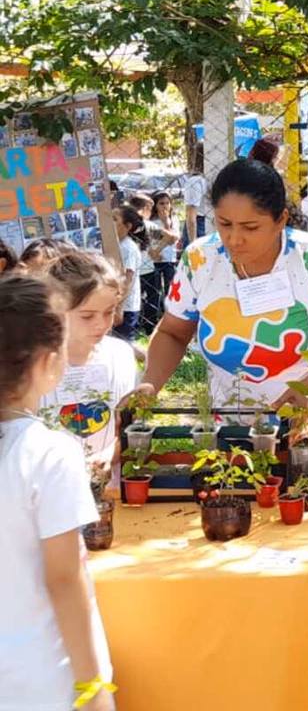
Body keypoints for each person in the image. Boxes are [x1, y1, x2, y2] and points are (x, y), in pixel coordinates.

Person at [133, 158, 308, 479]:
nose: (234, 239)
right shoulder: (200, 259)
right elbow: (173, 332)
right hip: (233, 426)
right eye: (224, 224)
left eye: (250, 227)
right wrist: (150, 384)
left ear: (281, 220)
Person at [0, 275, 115, 711]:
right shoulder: (49, 452)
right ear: (48, 362)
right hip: (42, 682)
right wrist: (94, 689)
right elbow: (65, 581)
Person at [39, 251, 137, 479]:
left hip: (112, 488)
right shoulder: (34, 363)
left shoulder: (121, 355)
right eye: (87, 316)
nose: (101, 324)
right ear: (55, 310)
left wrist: (113, 452)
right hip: (50, 489)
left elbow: (132, 423)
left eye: (109, 312)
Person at [111, 205, 148, 340]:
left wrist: (119, 308)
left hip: (126, 306)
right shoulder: (114, 245)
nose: (110, 223)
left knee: (124, 342)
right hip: (115, 302)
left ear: (128, 226)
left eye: (114, 219)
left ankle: (146, 357)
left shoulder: (128, 248)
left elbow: (128, 280)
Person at [129, 193, 161, 333]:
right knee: (152, 299)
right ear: (146, 208)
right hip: (146, 268)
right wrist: (156, 250)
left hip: (132, 269)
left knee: (135, 299)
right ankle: (150, 326)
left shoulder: (125, 223)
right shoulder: (148, 225)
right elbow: (171, 237)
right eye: (150, 209)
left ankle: (135, 325)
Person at [148, 190, 181, 309]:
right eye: (161, 203)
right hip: (154, 260)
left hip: (169, 259)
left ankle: (169, 311)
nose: (165, 206)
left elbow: (173, 239)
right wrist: (156, 251)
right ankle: (156, 311)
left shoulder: (173, 220)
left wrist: (166, 223)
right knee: (155, 290)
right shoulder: (151, 221)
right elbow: (153, 239)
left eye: (167, 203)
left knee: (171, 288)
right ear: (155, 205)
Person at [182, 143, 209, 248]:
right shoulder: (196, 181)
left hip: (204, 222)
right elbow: (191, 216)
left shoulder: (197, 181)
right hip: (199, 223)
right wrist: (193, 242)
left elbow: (190, 216)